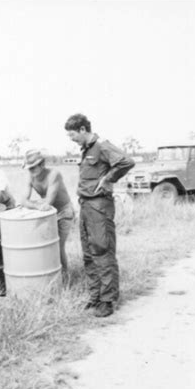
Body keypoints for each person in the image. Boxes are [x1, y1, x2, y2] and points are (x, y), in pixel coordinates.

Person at [64, 114, 135, 317]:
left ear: (83, 130)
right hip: (86, 206)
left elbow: (126, 162)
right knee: (88, 254)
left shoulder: (102, 146)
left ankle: (107, 301)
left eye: (73, 135)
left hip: (99, 207)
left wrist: (108, 179)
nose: (71, 139)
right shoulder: (86, 150)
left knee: (102, 252)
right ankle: (95, 296)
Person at [21, 149, 75, 283]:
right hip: (48, 214)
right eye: (29, 168)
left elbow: (48, 202)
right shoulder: (30, 176)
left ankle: (65, 277)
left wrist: (34, 203)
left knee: (58, 245)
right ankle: (50, 277)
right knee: (46, 246)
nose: (31, 170)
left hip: (63, 212)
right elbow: (22, 200)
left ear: (42, 165)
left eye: (33, 167)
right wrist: (36, 205)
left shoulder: (54, 174)